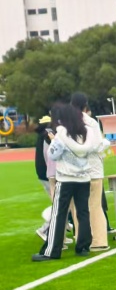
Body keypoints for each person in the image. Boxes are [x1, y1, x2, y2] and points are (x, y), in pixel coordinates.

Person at [32, 103, 98, 261]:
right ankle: (83, 246)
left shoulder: (61, 134)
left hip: (66, 178)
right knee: (83, 212)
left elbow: (53, 155)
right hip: (84, 177)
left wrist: (54, 141)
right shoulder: (87, 132)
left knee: (59, 214)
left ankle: (52, 251)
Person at [71, 92, 110, 251]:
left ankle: (81, 239)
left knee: (78, 208)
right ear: (85, 105)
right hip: (93, 169)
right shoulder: (91, 122)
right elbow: (96, 145)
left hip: (75, 171)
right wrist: (106, 143)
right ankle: (99, 240)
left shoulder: (67, 122)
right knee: (95, 206)